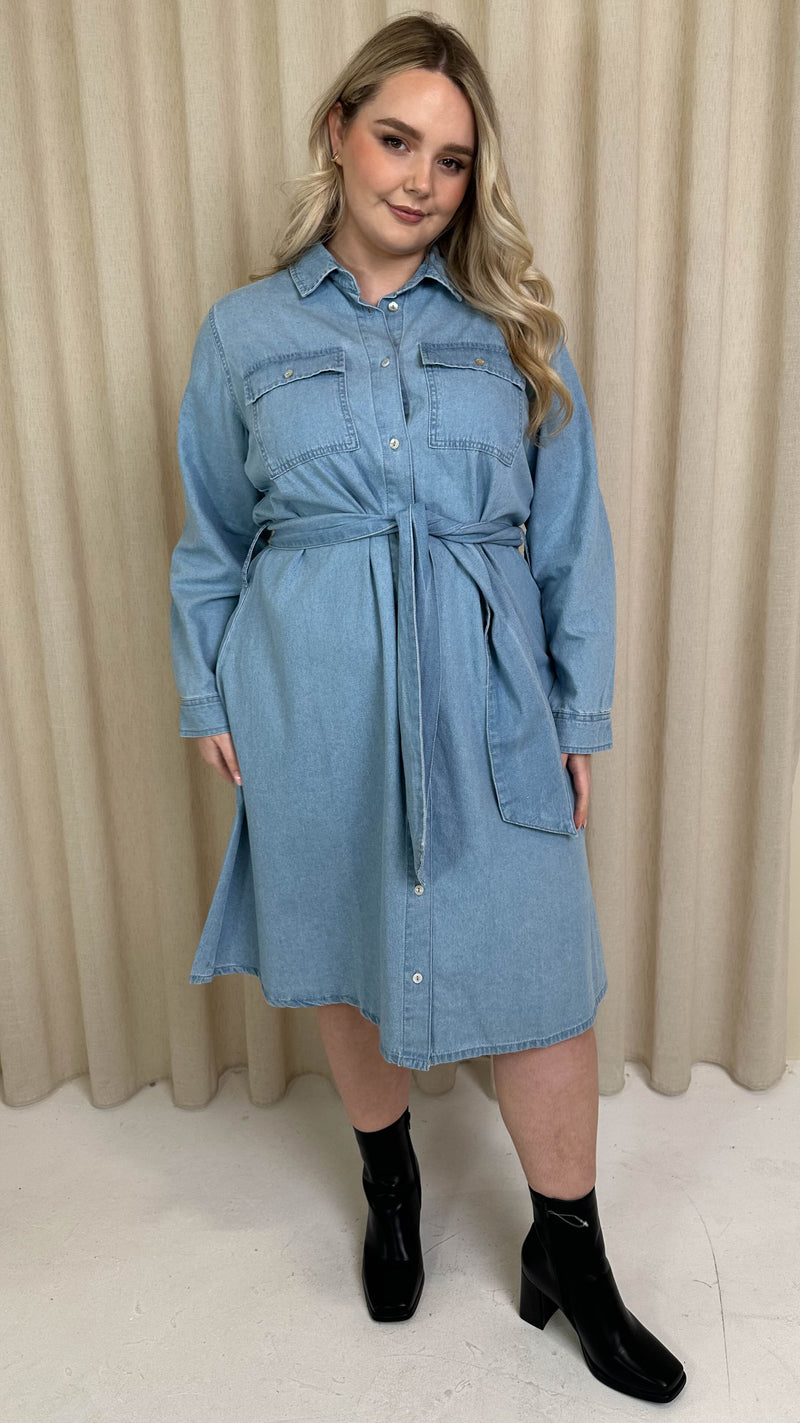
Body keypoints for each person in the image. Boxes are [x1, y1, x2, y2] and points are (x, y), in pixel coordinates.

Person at [169, 12, 686, 1405]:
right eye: (397, 140)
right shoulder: (245, 333)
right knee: (349, 943)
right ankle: (390, 1186)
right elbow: (212, 537)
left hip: (489, 691)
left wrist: (576, 715)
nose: (420, 180)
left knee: (541, 974)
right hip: (311, 687)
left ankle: (569, 1251)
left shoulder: (512, 329)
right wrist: (207, 686)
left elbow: (570, 540)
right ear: (338, 133)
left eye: (451, 160)